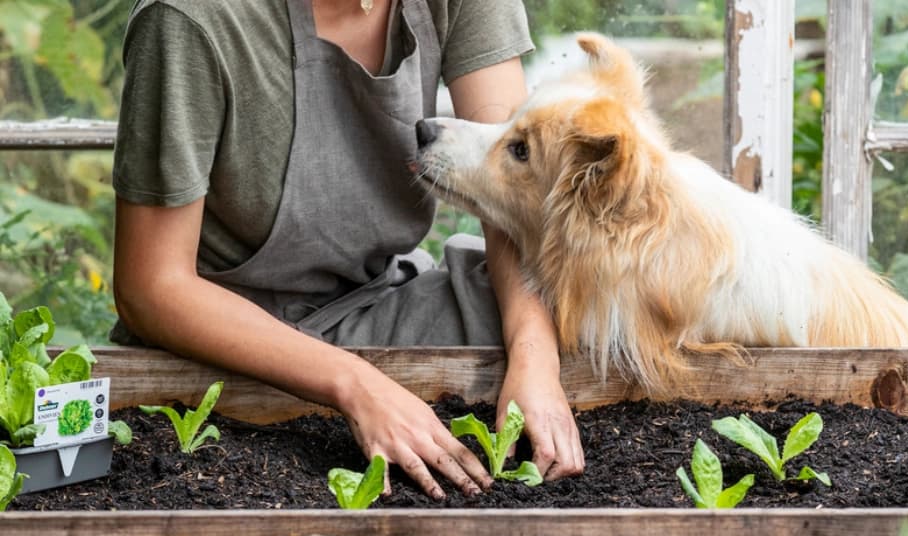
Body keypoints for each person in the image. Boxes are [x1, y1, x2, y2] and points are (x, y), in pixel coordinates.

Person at [110, 0, 584, 499]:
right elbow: (151, 288)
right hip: (226, 340)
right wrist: (357, 385)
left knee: (577, 319)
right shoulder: (189, 18)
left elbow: (510, 194)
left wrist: (535, 361)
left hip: (378, 302)